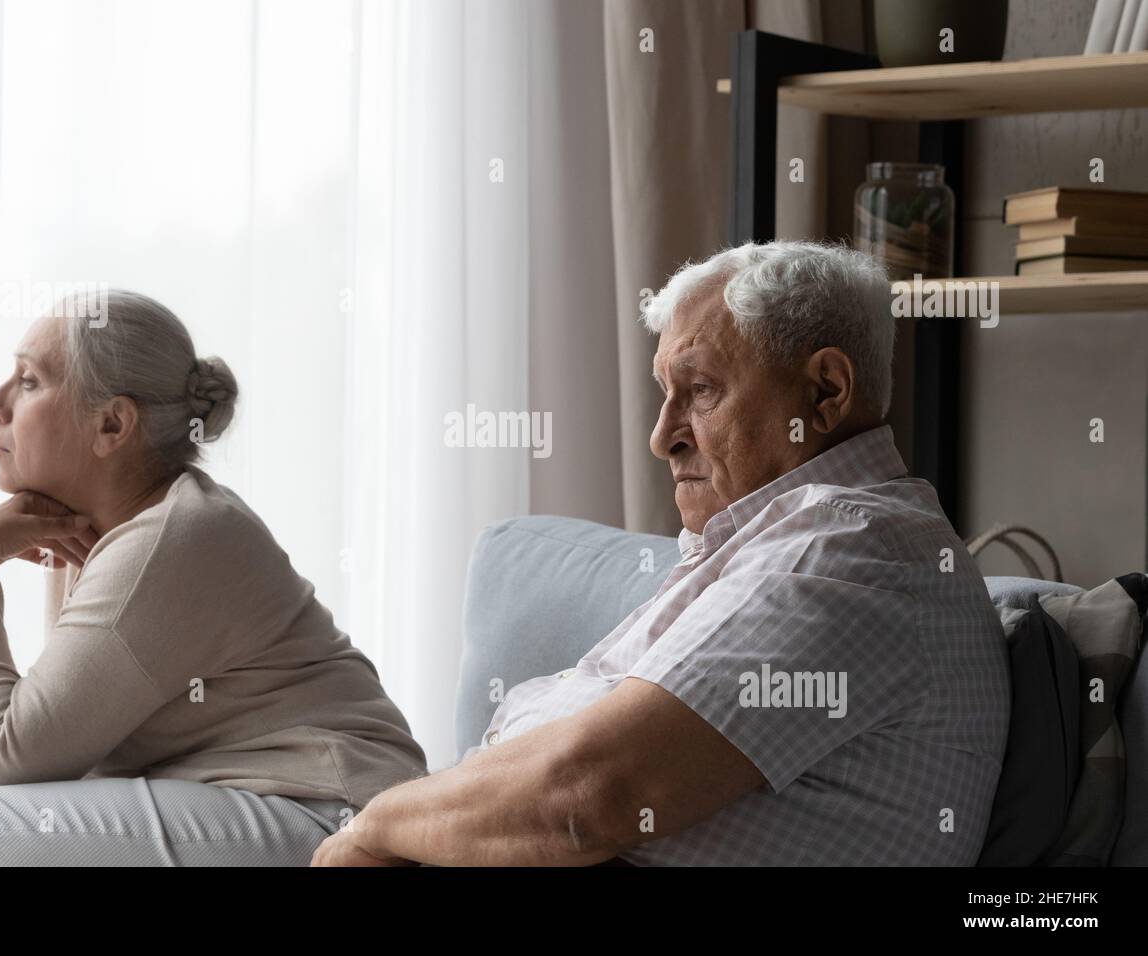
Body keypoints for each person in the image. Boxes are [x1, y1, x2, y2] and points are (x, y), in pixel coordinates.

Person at [311, 240, 1010, 867]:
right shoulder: (763, 548)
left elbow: (585, 795)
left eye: (700, 390)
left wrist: (373, 827)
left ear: (825, 393)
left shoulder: (853, 553)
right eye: (665, 394)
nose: (661, 436)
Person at [0, 289, 426, 866]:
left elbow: (7, 754)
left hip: (333, 818)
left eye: (28, 381)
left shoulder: (173, 537)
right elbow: (41, 751)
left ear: (111, 424)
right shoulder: (110, 535)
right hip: (262, 801)